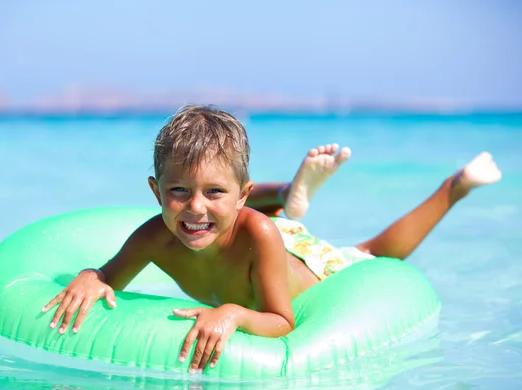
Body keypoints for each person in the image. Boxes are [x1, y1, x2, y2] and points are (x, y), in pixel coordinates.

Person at [42, 105, 501, 374]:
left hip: (312, 265)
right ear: (154, 191)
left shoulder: (256, 230)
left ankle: (455, 186)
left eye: (214, 192)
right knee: (227, 218)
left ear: (243, 196)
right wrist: (90, 276)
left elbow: (281, 320)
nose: (194, 207)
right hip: (256, 234)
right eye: (177, 191)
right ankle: (287, 197)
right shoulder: (151, 238)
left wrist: (233, 315)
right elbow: (107, 276)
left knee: (371, 253)